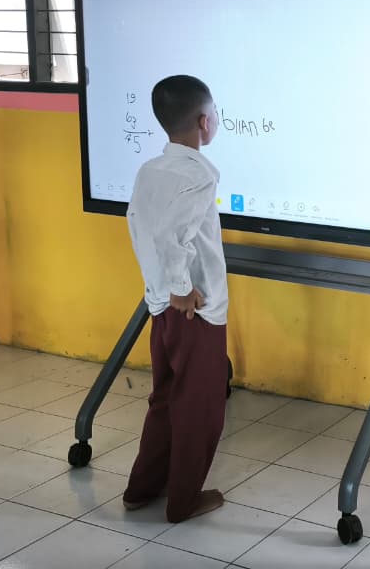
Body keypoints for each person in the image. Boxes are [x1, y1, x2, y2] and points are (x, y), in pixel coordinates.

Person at [122, 74, 229, 523]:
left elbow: (141, 226)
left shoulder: (151, 169)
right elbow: (173, 235)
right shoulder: (199, 173)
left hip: (160, 309)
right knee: (199, 407)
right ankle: (183, 500)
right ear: (205, 122)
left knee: (165, 399)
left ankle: (141, 489)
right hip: (196, 312)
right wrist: (183, 289)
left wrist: (163, 290)